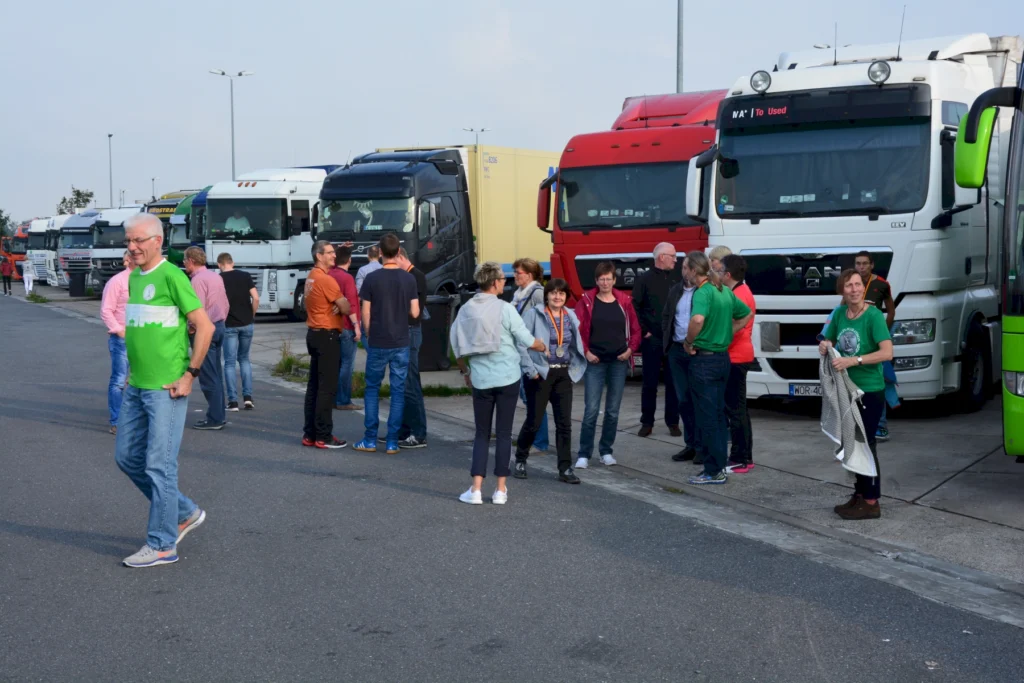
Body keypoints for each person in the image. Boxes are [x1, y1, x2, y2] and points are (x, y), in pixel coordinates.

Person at [115, 213, 213, 568]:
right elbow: (142, 329)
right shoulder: (136, 278)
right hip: (137, 385)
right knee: (126, 458)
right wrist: (131, 373)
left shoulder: (172, 276)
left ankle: (162, 544)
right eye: (129, 240)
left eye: (139, 240)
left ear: (158, 240)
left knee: (160, 465)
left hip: (167, 388)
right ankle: (184, 511)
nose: (132, 247)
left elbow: (204, 327)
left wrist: (190, 375)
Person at [451, 262, 546, 504]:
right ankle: (501, 490)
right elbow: (526, 339)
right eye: (503, 279)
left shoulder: (466, 309)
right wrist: (542, 345)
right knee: (504, 433)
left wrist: (465, 371)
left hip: (481, 379)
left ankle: (475, 489)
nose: (505, 282)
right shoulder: (505, 309)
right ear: (494, 283)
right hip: (508, 378)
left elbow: (455, 343)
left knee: (482, 433)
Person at [819, 268, 894, 519]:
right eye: (849, 285)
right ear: (842, 290)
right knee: (852, 445)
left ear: (864, 287)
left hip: (869, 392)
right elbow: (829, 339)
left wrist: (853, 361)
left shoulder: (873, 316)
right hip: (847, 392)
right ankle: (860, 494)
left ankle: (872, 502)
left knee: (866, 446)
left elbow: (887, 353)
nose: (854, 289)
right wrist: (825, 345)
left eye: (858, 284)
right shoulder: (840, 314)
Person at [681, 251, 752, 486]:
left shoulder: (704, 291)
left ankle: (714, 470)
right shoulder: (722, 290)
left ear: (693, 270)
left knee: (708, 417)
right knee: (719, 416)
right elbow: (746, 313)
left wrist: (689, 341)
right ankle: (719, 465)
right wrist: (726, 333)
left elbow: (698, 319)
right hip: (722, 359)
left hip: (705, 360)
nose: (684, 272)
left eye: (685, 267)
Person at [352, 234, 419, 454]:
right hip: (401, 340)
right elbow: (415, 311)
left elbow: (366, 311)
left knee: (372, 389)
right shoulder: (409, 279)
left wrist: (369, 332)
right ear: (399, 252)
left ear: (380, 252)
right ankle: (392, 441)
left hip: (379, 341)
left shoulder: (371, 278)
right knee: (397, 391)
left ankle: (370, 439)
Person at [514, 278, 585, 484]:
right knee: (534, 421)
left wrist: (574, 370)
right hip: (540, 375)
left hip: (562, 374)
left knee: (564, 424)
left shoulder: (570, 315)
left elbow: (574, 346)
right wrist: (531, 370)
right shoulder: (533, 314)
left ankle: (565, 468)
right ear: (547, 295)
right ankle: (520, 459)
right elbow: (521, 344)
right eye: (553, 293)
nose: (557, 296)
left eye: (561, 293)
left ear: (566, 296)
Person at [574, 262, 641, 469]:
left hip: (618, 363)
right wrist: (586, 352)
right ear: (596, 281)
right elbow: (576, 329)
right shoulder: (586, 301)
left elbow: (636, 330)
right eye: (601, 279)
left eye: (608, 278)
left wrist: (630, 351)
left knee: (612, 411)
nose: (605, 282)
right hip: (595, 362)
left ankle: (606, 451)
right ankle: (584, 453)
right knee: (591, 410)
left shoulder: (624, 301)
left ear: (614, 280)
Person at [302, 241, 351, 449]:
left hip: (313, 333)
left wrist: (335, 307)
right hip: (327, 335)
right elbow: (346, 307)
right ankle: (324, 436)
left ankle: (310, 434)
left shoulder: (311, 277)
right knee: (326, 389)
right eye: (330, 253)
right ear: (319, 256)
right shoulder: (327, 280)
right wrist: (339, 307)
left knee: (314, 386)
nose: (334, 256)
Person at [632, 242, 683, 438]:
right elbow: (635, 306)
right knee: (649, 383)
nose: (676, 260)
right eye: (673, 256)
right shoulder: (644, 279)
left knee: (673, 383)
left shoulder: (678, 279)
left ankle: (673, 422)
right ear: (662, 257)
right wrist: (645, 331)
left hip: (673, 340)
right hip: (652, 339)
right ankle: (647, 422)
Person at [184, 247, 229, 430]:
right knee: (216, 373)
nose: (184, 263)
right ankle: (218, 414)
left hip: (205, 330)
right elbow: (224, 303)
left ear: (191, 261)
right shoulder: (215, 276)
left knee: (208, 376)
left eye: (185, 260)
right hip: (219, 325)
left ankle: (215, 418)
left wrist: (192, 328)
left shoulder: (196, 281)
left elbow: (197, 309)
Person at [855, 250, 898, 442]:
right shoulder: (851, 284)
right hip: (856, 340)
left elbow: (891, 311)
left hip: (874, 340)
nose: (861, 267)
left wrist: (884, 335)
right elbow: (841, 309)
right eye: (858, 263)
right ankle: (861, 425)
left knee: (877, 381)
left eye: (865, 263)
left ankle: (880, 427)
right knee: (858, 382)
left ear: (872, 265)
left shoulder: (881, 283)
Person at [721, 254, 757, 473]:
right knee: (738, 409)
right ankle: (744, 457)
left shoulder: (740, 294)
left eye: (719, 270)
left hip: (736, 356)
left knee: (736, 410)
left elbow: (736, 328)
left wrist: (716, 338)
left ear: (728, 274)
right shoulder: (739, 291)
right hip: (737, 355)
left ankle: (740, 458)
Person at [511, 257, 549, 452]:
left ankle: (540, 441)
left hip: (533, 353)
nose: (515, 275)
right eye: (515, 271)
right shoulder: (519, 294)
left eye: (519, 272)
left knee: (535, 398)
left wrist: (538, 344)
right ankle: (535, 438)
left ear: (531, 275)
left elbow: (545, 321)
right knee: (528, 398)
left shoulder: (537, 293)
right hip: (521, 352)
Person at [663, 265, 700, 464]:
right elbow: (667, 316)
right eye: (684, 267)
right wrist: (667, 344)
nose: (686, 271)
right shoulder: (675, 290)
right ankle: (690, 445)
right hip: (677, 350)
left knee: (699, 400)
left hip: (697, 351)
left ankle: (703, 446)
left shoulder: (704, 291)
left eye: (690, 267)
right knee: (683, 400)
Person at [395, 247, 428, 449]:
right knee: (403, 383)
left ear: (401, 257)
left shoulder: (415, 277)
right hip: (406, 332)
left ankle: (419, 432)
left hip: (411, 332)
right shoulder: (408, 276)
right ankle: (405, 430)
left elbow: (413, 312)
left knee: (410, 383)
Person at [218, 252, 259, 412]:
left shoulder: (219, 279)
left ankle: (233, 401)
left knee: (229, 362)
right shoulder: (245, 275)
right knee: (244, 360)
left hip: (229, 325)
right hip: (247, 323)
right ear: (232, 262)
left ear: (220, 264)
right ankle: (248, 398)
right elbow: (255, 298)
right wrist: (252, 315)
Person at [100, 251, 133, 435]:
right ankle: (117, 421)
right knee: (119, 381)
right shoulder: (117, 281)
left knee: (140, 380)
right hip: (122, 339)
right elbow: (106, 310)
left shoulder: (146, 280)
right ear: (127, 260)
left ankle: (136, 419)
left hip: (143, 339)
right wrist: (119, 329)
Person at [329, 245, 362, 411]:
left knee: (336, 363)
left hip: (332, 325)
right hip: (347, 326)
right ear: (349, 260)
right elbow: (350, 304)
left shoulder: (328, 274)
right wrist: (356, 326)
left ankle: (333, 397)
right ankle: (344, 400)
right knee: (347, 364)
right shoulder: (347, 278)